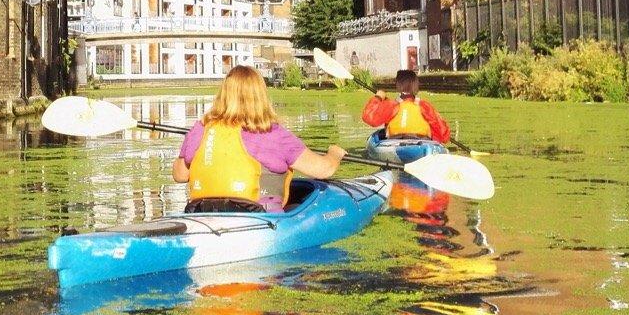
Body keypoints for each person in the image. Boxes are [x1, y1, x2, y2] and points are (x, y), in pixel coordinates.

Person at [172, 65, 345, 214]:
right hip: (259, 218)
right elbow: (324, 170)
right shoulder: (273, 133)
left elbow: (179, 175)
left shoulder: (201, 128)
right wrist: (334, 154)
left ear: (223, 94)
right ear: (260, 96)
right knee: (298, 205)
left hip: (204, 214)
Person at [361, 68, 452, 145]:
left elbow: (369, 117)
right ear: (416, 86)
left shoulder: (392, 105)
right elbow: (444, 135)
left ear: (398, 86)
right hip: (421, 142)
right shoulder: (424, 106)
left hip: (393, 142)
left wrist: (378, 97)